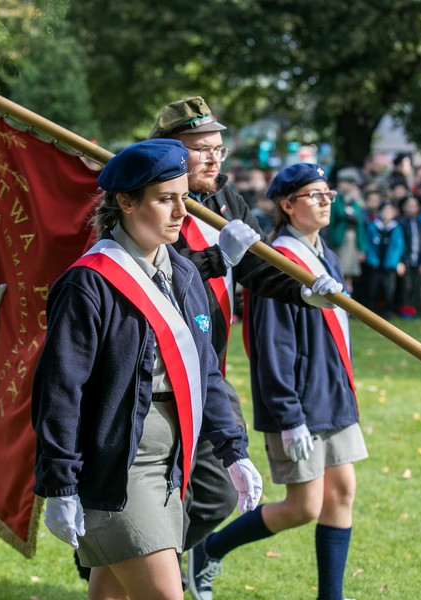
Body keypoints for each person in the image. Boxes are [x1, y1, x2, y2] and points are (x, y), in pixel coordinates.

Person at [32, 139, 264, 600]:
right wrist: (58, 480)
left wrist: (233, 449)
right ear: (125, 201)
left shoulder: (185, 274)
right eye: (165, 199)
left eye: (184, 197)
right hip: (121, 464)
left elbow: (205, 374)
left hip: (174, 458)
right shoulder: (89, 283)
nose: (182, 211)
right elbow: (60, 390)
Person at [147, 97, 341, 566]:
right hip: (152, 372)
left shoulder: (228, 200)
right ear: (172, 152)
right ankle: (131, 560)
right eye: (201, 149)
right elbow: (152, 277)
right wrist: (219, 259)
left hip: (208, 368)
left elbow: (256, 268)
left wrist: (304, 289)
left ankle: (148, 559)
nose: (215, 158)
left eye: (218, 148)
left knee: (215, 492)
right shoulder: (148, 199)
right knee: (152, 484)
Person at [188, 163, 367, 600]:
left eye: (329, 194)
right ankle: (210, 548)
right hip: (300, 404)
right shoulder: (279, 262)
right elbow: (271, 350)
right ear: (287, 205)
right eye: (314, 194)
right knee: (304, 506)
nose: (326, 201)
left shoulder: (324, 255)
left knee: (342, 492)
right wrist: (290, 417)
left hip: (333, 395)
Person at [327, 168, 366, 295]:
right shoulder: (336, 200)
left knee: (350, 274)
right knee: (338, 271)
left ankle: (348, 300)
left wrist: (361, 248)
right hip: (339, 239)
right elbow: (331, 222)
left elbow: (360, 224)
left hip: (352, 240)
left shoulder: (355, 202)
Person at [364, 200, 405, 318]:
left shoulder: (396, 228)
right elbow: (368, 244)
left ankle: (388, 311)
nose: (387, 213)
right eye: (384, 210)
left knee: (389, 290)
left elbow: (398, 246)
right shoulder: (373, 226)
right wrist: (372, 259)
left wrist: (395, 262)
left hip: (389, 265)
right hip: (374, 265)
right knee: (372, 289)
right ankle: (370, 312)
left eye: (389, 211)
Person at [397, 195, 421, 319]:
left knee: (416, 286)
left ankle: (413, 309)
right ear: (404, 207)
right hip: (406, 260)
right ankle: (405, 310)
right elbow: (399, 244)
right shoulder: (401, 222)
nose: (412, 208)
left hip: (418, 260)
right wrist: (400, 261)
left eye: (414, 206)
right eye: (409, 206)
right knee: (406, 286)